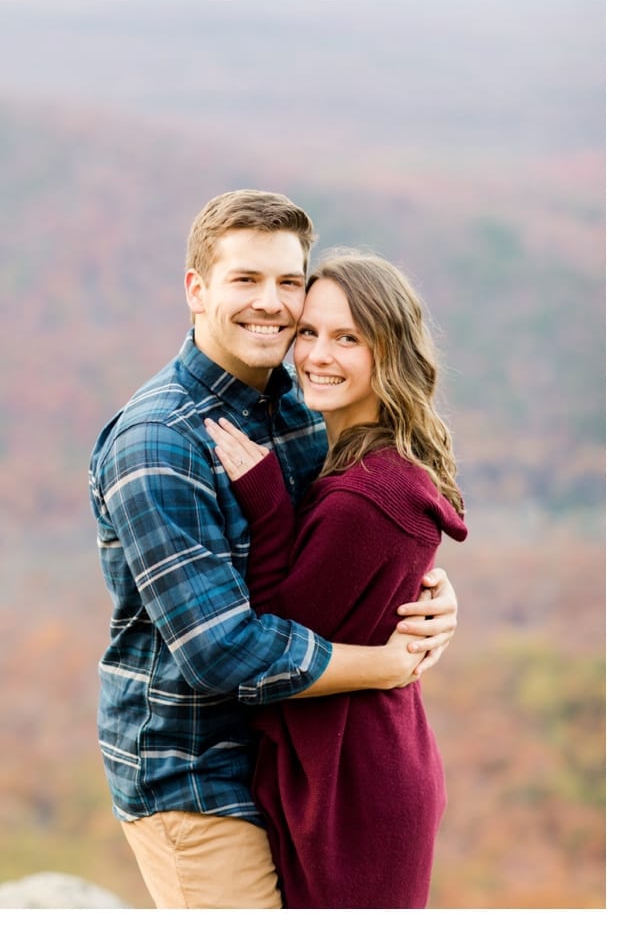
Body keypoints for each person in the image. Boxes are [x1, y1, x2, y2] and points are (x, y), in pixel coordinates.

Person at [87, 190, 460, 908]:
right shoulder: (159, 441)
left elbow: (340, 551)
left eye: (288, 281)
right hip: (194, 774)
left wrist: (427, 595)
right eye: (245, 280)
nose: (272, 303)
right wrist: (385, 664)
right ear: (196, 290)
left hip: (288, 762)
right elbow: (222, 649)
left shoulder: (295, 407)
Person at [204, 251, 466, 907]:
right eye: (310, 332)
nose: (317, 355)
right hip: (358, 764)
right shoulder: (362, 462)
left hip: (357, 790)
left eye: (348, 338)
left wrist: (265, 503)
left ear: (391, 352)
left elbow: (276, 645)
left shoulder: (366, 496)